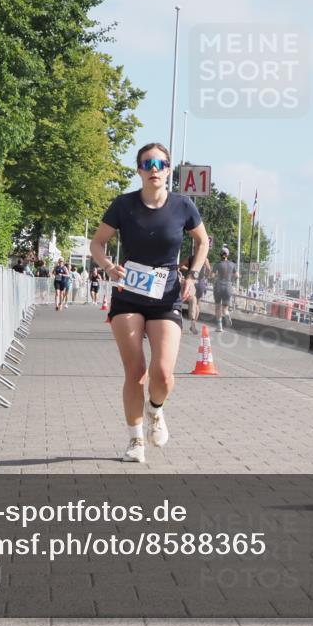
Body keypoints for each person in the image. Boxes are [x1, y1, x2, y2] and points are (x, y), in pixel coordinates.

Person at [90, 143, 209, 463]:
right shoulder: (123, 205)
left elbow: (203, 241)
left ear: (169, 169)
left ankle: (155, 410)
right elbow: (98, 243)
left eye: (160, 163)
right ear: (139, 169)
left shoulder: (183, 206)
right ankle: (135, 440)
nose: (154, 168)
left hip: (166, 295)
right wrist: (108, 266)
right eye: (147, 163)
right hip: (128, 295)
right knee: (136, 372)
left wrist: (192, 276)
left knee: (163, 375)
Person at [213, 246, 237, 332]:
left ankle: (219, 326)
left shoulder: (217, 264)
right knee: (224, 308)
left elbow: (212, 275)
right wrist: (231, 279)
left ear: (220, 254)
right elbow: (237, 275)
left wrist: (214, 276)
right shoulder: (233, 264)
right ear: (228, 255)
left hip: (218, 287)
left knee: (217, 307)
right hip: (228, 286)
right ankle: (226, 314)